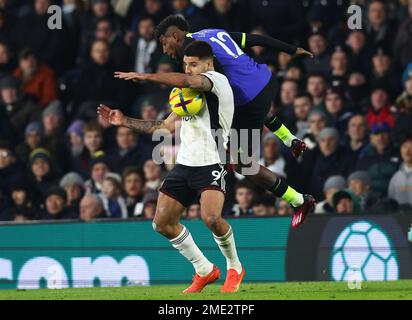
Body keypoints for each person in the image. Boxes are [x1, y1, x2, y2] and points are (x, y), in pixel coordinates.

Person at [116, 15, 316, 228]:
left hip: (248, 98)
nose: (165, 51)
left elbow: (192, 81)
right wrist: (291, 49)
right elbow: (254, 39)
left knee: (242, 163)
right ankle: (291, 139)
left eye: (165, 44)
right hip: (265, 80)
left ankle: (299, 200)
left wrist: (146, 77)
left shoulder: (192, 51)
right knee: (245, 114)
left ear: (175, 36)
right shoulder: (209, 32)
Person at [98, 40, 244, 293]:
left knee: (211, 218)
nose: (188, 70)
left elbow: (190, 82)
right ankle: (204, 269)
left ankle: (234, 266)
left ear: (208, 63)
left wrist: (146, 76)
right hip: (185, 164)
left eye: (194, 64)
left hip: (213, 159)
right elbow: (164, 127)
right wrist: (124, 121)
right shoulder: (187, 95)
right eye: (186, 64)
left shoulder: (217, 81)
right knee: (162, 223)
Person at [388, 138, 412, 208]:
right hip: (400, 217)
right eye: (404, 146)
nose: (407, 151)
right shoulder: (396, 177)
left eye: (411, 147)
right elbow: (391, 201)